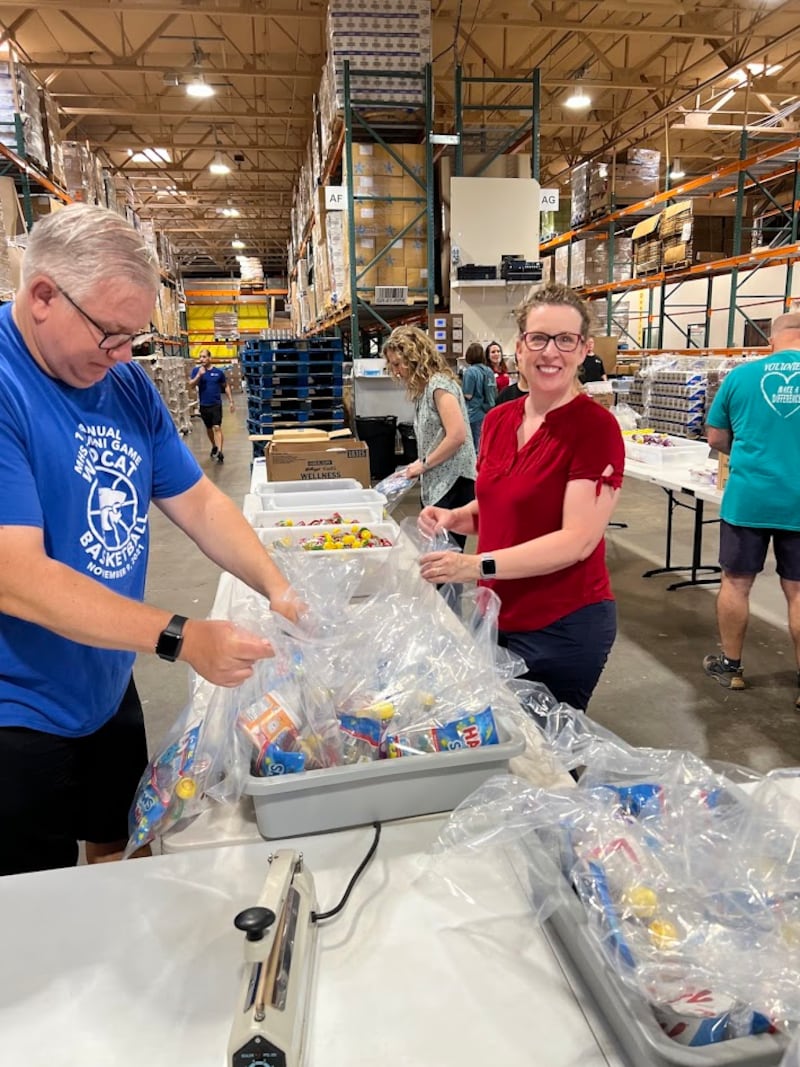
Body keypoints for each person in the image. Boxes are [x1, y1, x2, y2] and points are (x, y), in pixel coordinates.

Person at [0, 203, 298, 876]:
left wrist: (278, 585)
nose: (124, 355)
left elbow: (197, 500)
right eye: (110, 333)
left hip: (106, 684)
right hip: (16, 714)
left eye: (133, 336)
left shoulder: (125, 384)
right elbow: (15, 574)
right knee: (33, 915)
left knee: (125, 851)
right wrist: (182, 637)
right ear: (43, 293)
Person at [417, 283, 625, 710]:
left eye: (566, 339)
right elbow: (501, 504)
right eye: (539, 338)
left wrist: (475, 565)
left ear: (584, 349)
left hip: (562, 623)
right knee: (499, 737)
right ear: (520, 346)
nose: (551, 352)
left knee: (546, 758)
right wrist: (456, 517)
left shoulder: (595, 429)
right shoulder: (497, 420)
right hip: (497, 614)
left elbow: (577, 541)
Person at [703, 312, 800, 707]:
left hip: (749, 497)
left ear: (772, 339)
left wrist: (749, 454)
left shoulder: (741, 377)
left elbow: (716, 436)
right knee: (798, 591)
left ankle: (731, 666)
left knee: (736, 582)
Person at [382, 325, 476, 549]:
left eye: (397, 364)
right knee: (437, 554)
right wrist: (417, 465)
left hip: (454, 481)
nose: (395, 371)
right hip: (438, 478)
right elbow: (437, 438)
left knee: (445, 555)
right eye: (391, 365)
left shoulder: (439, 385)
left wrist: (423, 465)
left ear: (414, 358)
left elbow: (457, 435)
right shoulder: (424, 389)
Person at [191, 348, 235, 463]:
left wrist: (231, 401)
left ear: (210, 358)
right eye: (200, 357)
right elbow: (190, 385)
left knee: (217, 427)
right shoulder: (196, 371)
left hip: (216, 404)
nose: (202, 359)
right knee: (209, 428)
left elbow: (226, 386)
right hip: (204, 405)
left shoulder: (218, 373)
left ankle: (220, 451)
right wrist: (199, 376)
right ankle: (214, 445)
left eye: (204, 357)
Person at [461, 341, 497, 450]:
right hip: (488, 412)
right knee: (485, 445)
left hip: (474, 413)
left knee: (475, 447)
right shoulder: (489, 371)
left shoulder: (470, 372)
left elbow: (468, 395)